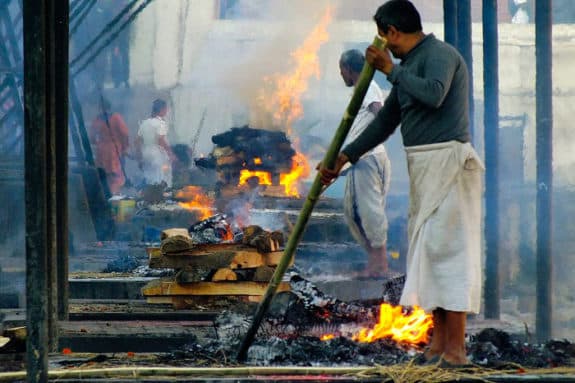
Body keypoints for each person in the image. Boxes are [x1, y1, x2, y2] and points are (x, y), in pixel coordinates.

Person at [319, 0, 484, 367]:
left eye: (385, 36)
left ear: (393, 31)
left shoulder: (440, 55)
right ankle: (439, 345)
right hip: (424, 167)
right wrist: (346, 156)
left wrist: (391, 70)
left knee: (449, 254)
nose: (385, 45)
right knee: (429, 253)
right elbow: (386, 121)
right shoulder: (407, 66)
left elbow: (434, 94)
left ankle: (456, 350)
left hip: (449, 163)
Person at [338, 49, 391, 278]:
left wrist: (367, 142)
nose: (341, 75)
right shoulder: (362, 89)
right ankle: (374, 262)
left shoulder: (368, 87)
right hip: (359, 160)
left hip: (368, 158)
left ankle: (379, 265)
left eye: (341, 70)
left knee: (369, 212)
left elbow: (379, 114)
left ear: (348, 69)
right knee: (353, 212)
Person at [89, 98, 130, 195]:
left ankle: (106, 195)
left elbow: (91, 137)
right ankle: (113, 196)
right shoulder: (116, 117)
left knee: (105, 174)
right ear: (109, 107)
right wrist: (125, 147)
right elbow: (125, 133)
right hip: (114, 150)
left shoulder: (97, 119)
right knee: (115, 175)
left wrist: (98, 143)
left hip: (101, 150)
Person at [136, 99, 177, 188]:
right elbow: (160, 140)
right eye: (166, 109)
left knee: (149, 179)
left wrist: (139, 159)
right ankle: (161, 199)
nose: (167, 111)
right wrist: (171, 154)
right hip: (157, 155)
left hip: (146, 154)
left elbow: (137, 142)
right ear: (162, 109)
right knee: (161, 179)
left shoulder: (144, 123)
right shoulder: (161, 123)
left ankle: (150, 199)